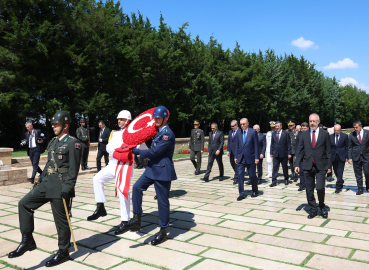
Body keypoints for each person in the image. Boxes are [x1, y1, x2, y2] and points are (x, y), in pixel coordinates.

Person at [8, 110, 81, 267]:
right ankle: (27, 240)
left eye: (57, 124)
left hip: (61, 186)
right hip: (46, 183)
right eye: (53, 124)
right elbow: (49, 163)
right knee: (24, 204)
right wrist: (40, 180)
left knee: (61, 222)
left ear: (66, 125)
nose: (53, 126)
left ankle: (63, 252)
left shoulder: (73, 143)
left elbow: (74, 170)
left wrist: (67, 188)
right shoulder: (53, 142)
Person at [121, 106, 177, 246]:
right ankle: (137, 219)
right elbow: (151, 144)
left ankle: (163, 231)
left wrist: (136, 151)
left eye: (158, 118)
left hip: (162, 171)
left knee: (162, 202)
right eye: (155, 118)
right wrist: (145, 136)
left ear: (165, 118)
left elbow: (154, 152)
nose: (156, 120)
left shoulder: (167, 134)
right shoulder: (158, 132)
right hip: (152, 169)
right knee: (136, 187)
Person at [87, 110, 134, 235]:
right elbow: (108, 148)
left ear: (128, 120)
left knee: (122, 191)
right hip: (113, 163)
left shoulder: (133, 133)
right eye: (118, 119)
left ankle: (125, 221)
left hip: (125, 165)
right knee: (97, 179)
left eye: (122, 119)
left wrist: (118, 149)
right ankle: (100, 207)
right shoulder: (115, 133)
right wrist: (121, 148)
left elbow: (136, 148)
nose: (119, 121)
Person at [295, 113, 332, 219]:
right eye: (310, 121)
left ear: (318, 122)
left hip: (321, 165)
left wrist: (329, 166)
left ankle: (322, 206)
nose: (312, 123)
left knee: (320, 187)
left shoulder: (325, 134)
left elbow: (329, 151)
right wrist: (297, 164)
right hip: (307, 165)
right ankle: (313, 209)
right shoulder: (304, 135)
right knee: (309, 189)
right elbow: (300, 150)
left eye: (314, 121)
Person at [234, 118, 259, 200]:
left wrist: (256, 157)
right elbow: (236, 145)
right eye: (241, 124)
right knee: (240, 176)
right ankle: (241, 193)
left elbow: (256, 145)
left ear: (248, 123)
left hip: (250, 157)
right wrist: (235, 156)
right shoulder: (238, 132)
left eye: (244, 124)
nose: (242, 126)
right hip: (241, 158)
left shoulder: (253, 132)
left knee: (252, 175)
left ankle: (255, 190)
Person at [348, 120, 369, 195]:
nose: (355, 129)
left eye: (356, 127)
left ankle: (368, 186)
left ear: (361, 126)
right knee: (358, 174)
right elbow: (349, 147)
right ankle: (360, 189)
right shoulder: (352, 135)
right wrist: (349, 158)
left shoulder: (367, 133)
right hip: (356, 157)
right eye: (354, 127)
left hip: (366, 156)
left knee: (367, 172)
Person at [328, 124, 348, 193]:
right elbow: (329, 147)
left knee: (340, 171)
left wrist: (347, 157)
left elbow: (347, 147)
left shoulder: (344, 136)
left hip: (341, 156)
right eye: (335, 130)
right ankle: (341, 180)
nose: (336, 131)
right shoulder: (330, 136)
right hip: (333, 156)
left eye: (338, 130)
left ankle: (338, 187)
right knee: (336, 171)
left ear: (340, 130)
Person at [270, 121, 291, 186]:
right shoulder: (273, 133)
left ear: (281, 126)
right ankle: (274, 181)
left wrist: (289, 153)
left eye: (278, 126)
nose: (276, 127)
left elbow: (289, 144)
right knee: (275, 167)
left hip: (284, 153)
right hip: (276, 153)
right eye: (276, 126)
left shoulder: (286, 133)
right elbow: (272, 144)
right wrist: (271, 152)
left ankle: (286, 179)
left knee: (285, 167)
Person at [295, 122, 309, 191]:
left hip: (309, 156)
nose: (303, 129)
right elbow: (297, 145)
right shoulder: (299, 135)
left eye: (305, 128)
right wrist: (296, 154)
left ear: (308, 128)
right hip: (301, 155)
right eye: (302, 128)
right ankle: (302, 184)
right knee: (301, 171)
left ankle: (309, 184)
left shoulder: (311, 134)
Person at [227, 120, 240, 184]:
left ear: (236, 125)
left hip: (237, 151)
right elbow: (229, 141)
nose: (232, 127)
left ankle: (236, 178)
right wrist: (228, 150)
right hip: (231, 151)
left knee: (236, 164)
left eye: (233, 126)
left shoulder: (240, 131)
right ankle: (239, 173)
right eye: (231, 126)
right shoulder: (230, 132)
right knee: (232, 163)